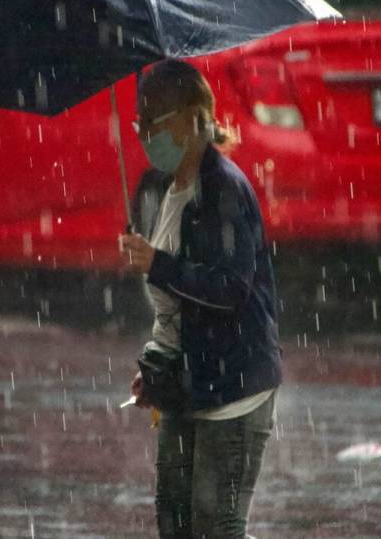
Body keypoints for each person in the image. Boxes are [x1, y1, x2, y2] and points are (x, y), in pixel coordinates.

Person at [120, 59, 283, 539]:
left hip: (233, 392)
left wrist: (157, 264)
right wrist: (159, 363)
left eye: (156, 122)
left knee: (216, 528)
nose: (146, 134)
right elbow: (178, 306)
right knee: (175, 521)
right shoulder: (170, 190)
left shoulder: (223, 190)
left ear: (195, 119)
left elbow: (229, 290)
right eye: (140, 123)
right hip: (190, 387)